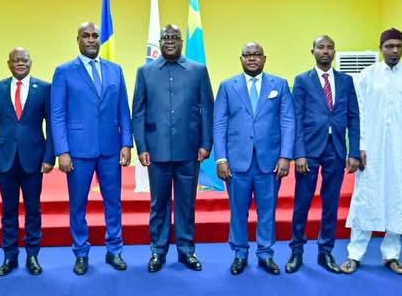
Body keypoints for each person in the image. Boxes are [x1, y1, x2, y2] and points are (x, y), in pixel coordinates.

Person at [51, 22, 133, 275]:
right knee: (78, 205)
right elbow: (57, 114)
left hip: (110, 149)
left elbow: (123, 109)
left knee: (113, 202)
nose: (91, 40)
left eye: (95, 36)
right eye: (85, 36)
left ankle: (114, 250)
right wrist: (62, 151)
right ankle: (81, 252)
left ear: (100, 39)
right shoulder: (64, 71)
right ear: (77, 40)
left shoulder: (115, 70)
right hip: (77, 151)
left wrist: (126, 142)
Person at [341, 28, 402, 275]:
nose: (394, 50)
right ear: (381, 48)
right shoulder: (366, 76)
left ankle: (392, 254)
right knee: (365, 198)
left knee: (398, 198)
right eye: (389, 46)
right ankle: (354, 254)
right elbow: (358, 114)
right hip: (371, 148)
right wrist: (359, 146)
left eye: (398, 46)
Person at [132, 24, 214, 272]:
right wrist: (141, 147)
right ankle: (158, 251)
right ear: (160, 42)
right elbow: (138, 112)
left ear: (181, 41)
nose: (170, 40)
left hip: (189, 150)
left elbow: (207, 109)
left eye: (174, 37)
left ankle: (187, 250)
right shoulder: (145, 72)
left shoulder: (198, 71)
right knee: (158, 204)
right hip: (156, 151)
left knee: (186, 203)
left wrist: (206, 143)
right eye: (166, 37)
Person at [213, 42, 294, 275]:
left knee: (267, 211)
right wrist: (221, 159)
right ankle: (240, 253)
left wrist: (285, 156)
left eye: (257, 54)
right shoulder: (227, 86)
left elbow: (288, 121)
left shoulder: (279, 84)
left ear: (264, 58)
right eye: (247, 55)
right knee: (238, 211)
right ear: (240, 59)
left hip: (270, 162)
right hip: (236, 162)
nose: (252, 58)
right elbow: (219, 124)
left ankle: (266, 254)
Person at [287, 35, 360, 274]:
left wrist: (354, 151)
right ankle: (297, 252)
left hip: (336, 149)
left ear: (334, 52)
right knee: (302, 202)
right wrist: (298, 153)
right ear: (313, 52)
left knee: (331, 203)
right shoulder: (302, 80)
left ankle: (325, 252)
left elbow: (354, 117)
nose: (325, 51)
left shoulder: (346, 81)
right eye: (321, 47)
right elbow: (296, 118)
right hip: (309, 151)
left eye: (330, 48)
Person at [0, 47, 55, 276]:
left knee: (33, 210)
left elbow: (51, 126)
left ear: (31, 62)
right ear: (9, 64)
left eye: (24, 60)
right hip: (4, 159)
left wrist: (49, 157)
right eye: (16, 60)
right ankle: (9, 257)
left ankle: (32, 256)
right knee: (8, 210)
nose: (20, 63)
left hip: (34, 159)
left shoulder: (44, 88)